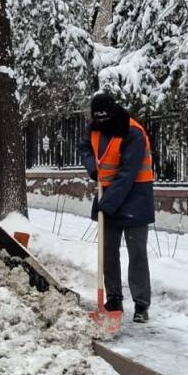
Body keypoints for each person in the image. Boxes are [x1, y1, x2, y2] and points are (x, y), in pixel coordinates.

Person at [78, 91, 155, 323]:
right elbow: (85, 148)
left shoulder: (133, 132)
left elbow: (128, 173)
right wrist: (92, 168)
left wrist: (107, 203)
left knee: (137, 254)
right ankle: (113, 298)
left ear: (112, 113)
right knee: (108, 252)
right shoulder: (95, 127)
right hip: (109, 196)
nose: (100, 122)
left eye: (104, 118)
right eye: (96, 118)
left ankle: (141, 304)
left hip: (135, 198)